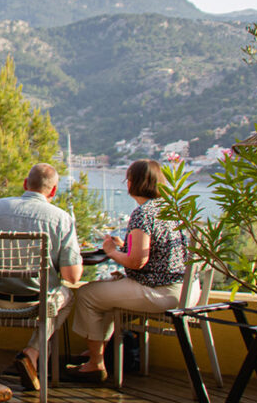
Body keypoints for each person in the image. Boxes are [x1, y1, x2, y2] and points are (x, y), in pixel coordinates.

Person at [68, 159, 198, 383]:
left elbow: (137, 262)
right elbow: (156, 251)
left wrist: (110, 251)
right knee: (105, 297)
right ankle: (97, 352)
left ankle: (95, 364)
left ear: (131, 183)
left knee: (88, 294)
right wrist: (124, 247)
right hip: (187, 290)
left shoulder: (143, 214)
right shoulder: (172, 208)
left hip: (160, 292)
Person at [0, 163, 83, 390]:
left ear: (26, 184)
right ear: (53, 191)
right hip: (36, 303)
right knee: (67, 297)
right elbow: (72, 276)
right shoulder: (61, 218)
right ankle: (33, 351)